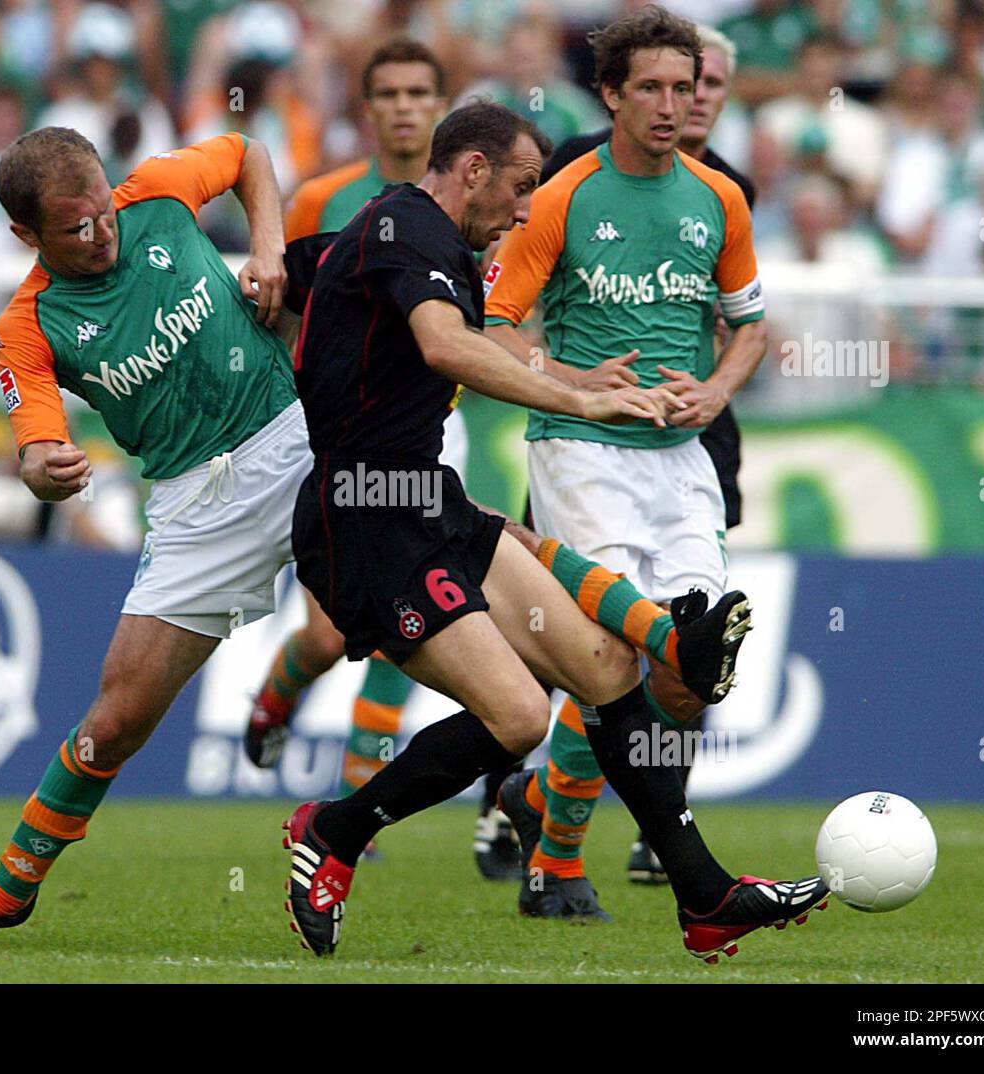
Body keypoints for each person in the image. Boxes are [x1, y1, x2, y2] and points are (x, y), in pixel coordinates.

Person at [281, 99, 827, 962]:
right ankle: (337, 830)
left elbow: (295, 272)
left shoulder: (410, 237)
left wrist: (265, 276)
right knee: (519, 717)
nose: (529, 208)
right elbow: (446, 346)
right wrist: (579, 397)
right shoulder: (409, 227)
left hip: (428, 497)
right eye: (522, 186)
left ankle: (704, 894)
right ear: (471, 171)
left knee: (607, 666)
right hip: (363, 516)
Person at [0, 125, 306, 942]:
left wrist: (268, 247)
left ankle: (534, 798)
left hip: (298, 436)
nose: (100, 234)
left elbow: (247, 152)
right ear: (27, 236)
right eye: (75, 229)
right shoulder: (29, 323)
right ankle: (10, 892)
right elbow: (37, 444)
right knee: (115, 720)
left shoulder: (155, 191)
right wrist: (44, 468)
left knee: (444, 589)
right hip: (196, 505)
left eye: (101, 213)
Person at [483, 5, 770, 918]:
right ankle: (558, 863)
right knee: (612, 654)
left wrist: (717, 388)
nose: (669, 103)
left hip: (680, 454)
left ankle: (538, 804)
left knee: (688, 675)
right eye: (649, 86)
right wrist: (575, 380)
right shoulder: (566, 194)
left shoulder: (719, 199)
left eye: (683, 87)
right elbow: (495, 330)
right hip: (583, 452)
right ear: (609, 93)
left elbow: (752, 327)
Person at [243, 37, 521, 881]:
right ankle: (277, 701)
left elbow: (497, 317)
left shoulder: (485, 208)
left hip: (440, 431)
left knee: (434, 618)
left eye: (420, 92)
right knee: (328, 637)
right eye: (389, 93)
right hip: (350, 439)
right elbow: (282, 297)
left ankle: (355, 814)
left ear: (442, 110)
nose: (403, 106)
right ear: (367, 109)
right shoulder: (334, 198)